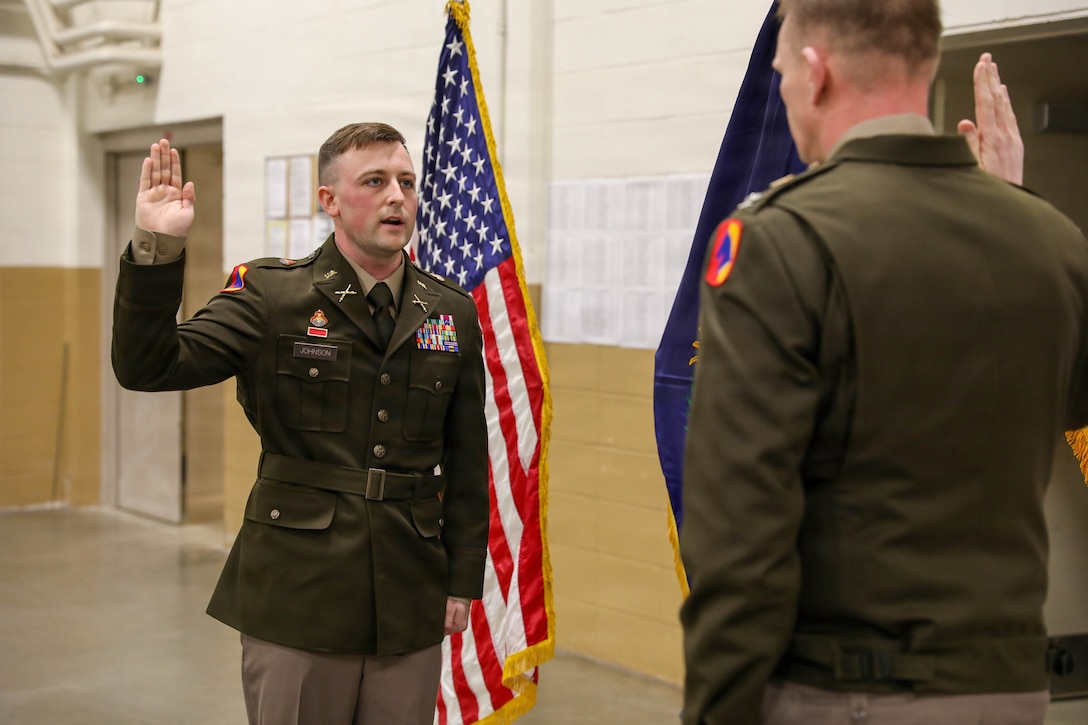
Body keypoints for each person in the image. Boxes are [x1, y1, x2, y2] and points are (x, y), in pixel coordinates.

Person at [679, 1, 1088, 724]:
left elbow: (741, 545)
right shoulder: (1053, 244)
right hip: (1014, 693)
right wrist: (1014, 209)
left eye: (781, 75)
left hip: (847, 694)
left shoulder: (779, 243)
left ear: (816, 71)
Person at [111, 122, 490, 725]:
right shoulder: (273, 296)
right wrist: (157, 250)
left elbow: (469, 457)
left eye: (406, 182)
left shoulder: (449, 311)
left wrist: (462, 578)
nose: (398, 196)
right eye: (375, 181)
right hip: (297, 592)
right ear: (330, 201)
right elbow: (147, 366)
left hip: (409, 588)